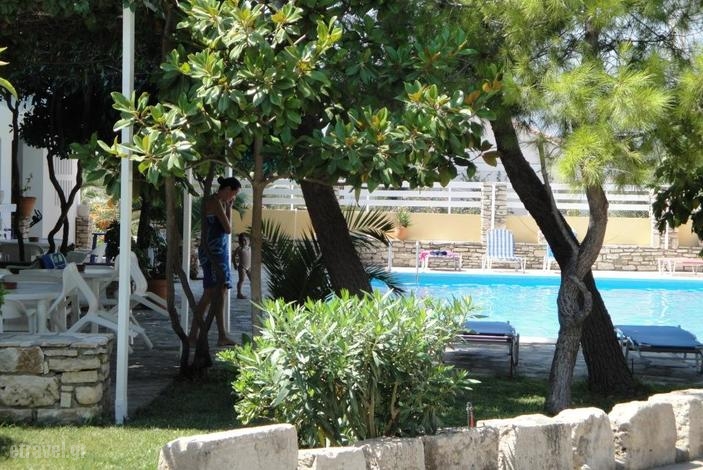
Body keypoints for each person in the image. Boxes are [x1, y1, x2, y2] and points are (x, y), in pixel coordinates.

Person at [189, 176, 241, 347]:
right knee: (210, 293)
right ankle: (199, 335)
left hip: (217, 252)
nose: (233, 197)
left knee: (221, 291)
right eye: (234, 194)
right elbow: (228, 229)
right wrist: (229, 208)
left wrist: (228, 207)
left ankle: (219, 334)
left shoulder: (219, 203)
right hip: (213, 253)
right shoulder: (215, 202)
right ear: (227, 190)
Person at [233, 232, 251, 299]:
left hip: (249, 267)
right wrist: (235, 264)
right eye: (241, 240)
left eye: (245, 240)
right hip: (242, 267)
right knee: (241, 280)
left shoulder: (250, 248)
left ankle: (254, 291)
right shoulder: (239, 248)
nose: (243, 242)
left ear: (249, 241)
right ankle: (239, 293)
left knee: (252, 280)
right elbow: (233, 256)